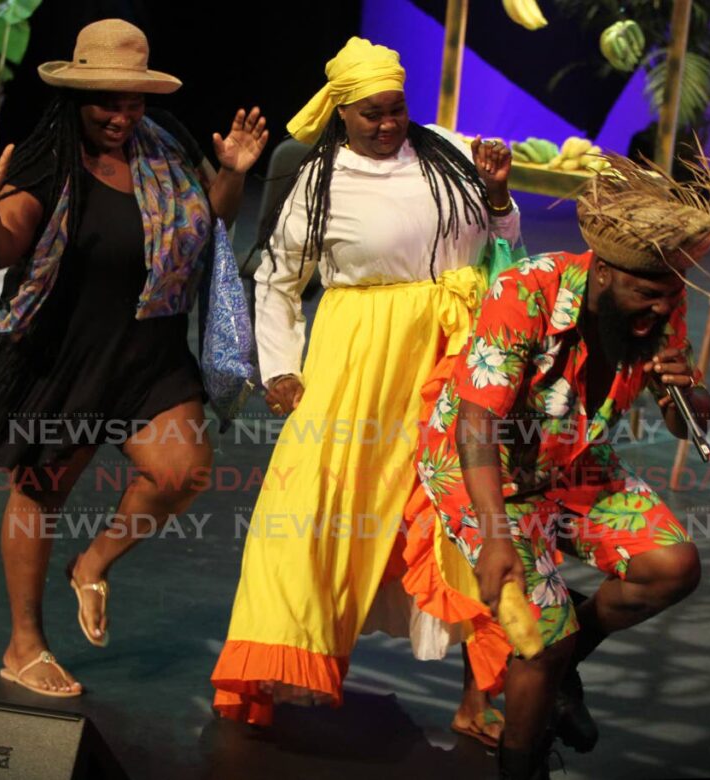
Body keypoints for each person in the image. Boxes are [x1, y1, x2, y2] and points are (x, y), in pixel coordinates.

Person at [0, 18, 267, 696]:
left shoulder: (167, 145)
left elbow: (209, 221)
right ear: (78, 97)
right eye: (107, 101)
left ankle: (92, 565)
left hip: (150, 352)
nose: (121, 115)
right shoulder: (51, 160)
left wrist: (233, 175)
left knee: (184, 471)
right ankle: (23, 646)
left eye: (131, 100)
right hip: (68, 356)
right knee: (41, 492)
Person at [210, 36, 520, 743]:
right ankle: (282, 652)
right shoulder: (319, 180)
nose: (389, 124)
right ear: (342, 113)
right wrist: (281, 365)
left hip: (455, 352)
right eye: (373, 113)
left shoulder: (447, 148)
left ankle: (480, 699)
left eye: (397, 110)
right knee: (314, 501)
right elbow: (278, 279)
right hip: (359, 359)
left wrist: (499, 198)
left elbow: (502, 246)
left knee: (469, 513)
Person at [408, 154, 710, 777]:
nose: (659, 311)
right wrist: (495, 537)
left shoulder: (660, 307)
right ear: (602, 277)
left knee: (672, 566)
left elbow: (683, 420)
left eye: (668, 298)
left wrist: (690, 394)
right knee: (544, 641)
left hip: (571, 459)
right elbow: (477, 425)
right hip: (486, 469)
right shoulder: (526, 293)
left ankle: (566, 669)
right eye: (647, 296)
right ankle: (525, 765)